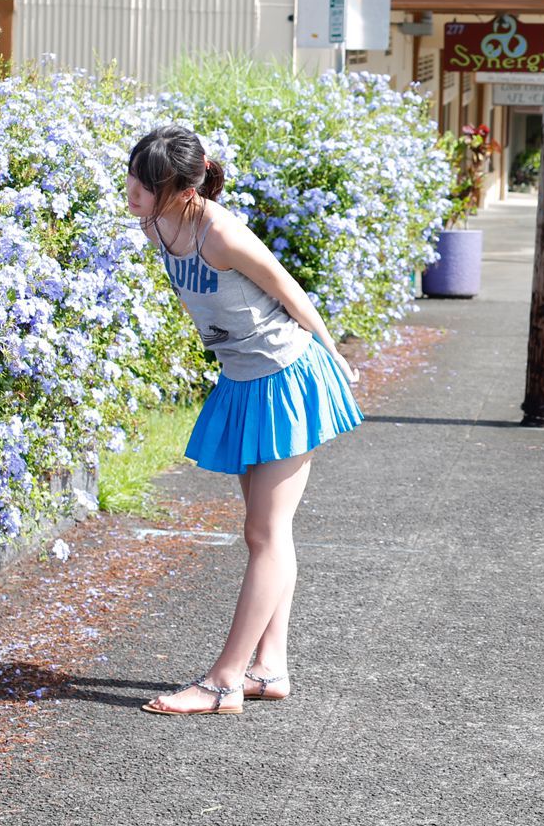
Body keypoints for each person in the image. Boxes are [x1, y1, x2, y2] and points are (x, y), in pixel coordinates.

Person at [127, 125, 362, 716]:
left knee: (264, 534)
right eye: (132, 174)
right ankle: (270, 668)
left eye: (146, 182)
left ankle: (224, 681)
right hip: (241, 379)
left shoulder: (222, 233)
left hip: (286, 376)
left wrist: (332, 352)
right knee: (267, 534)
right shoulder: (154, 225)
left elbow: (286, 287)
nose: (132, 189)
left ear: (183, 188)